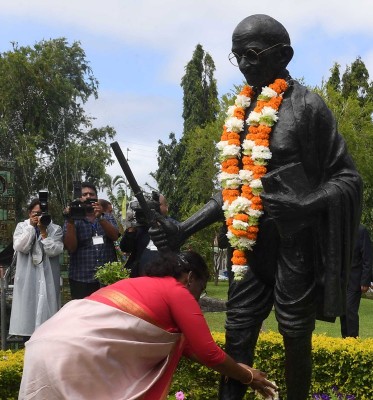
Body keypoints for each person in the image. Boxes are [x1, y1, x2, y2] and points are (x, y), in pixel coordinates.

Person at [149, 14, 362, 400]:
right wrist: (184, 227)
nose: (245, 64)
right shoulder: (243, 112)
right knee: (238, 330)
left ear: (284, 55)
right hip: (248, 247)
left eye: (251, 54)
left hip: (295, 245)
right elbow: (233, 189)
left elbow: (348, 179)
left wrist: (306, 204)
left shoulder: (309, 108)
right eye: (237, 57)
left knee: (296, 333)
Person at [18, 251, 277, 399]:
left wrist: (235, 368)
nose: (199, 295)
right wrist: (247, 376)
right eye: (201, 286)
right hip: (76, 356)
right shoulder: (178, 292)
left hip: (43, 343)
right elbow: (208, 351)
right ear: (189, 278)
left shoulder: (140, 285)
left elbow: (189, 349)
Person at [8, 198, 63, 340]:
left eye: (42, 213)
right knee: (28, 316)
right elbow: (20, 247)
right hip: (28, 278)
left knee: (48, 323)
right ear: (29, 213)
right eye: (35, 213)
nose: (39, 216)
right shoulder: (22, 226)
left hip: (48, 277)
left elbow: (54, 251)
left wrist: (44, 233)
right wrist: (32, 228)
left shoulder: (55, 229)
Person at [63, 182, 119, 299]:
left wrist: (100, 218)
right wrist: (70, 221)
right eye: (85, 194)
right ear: (80, 198)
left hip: (107, 278)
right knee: (83, 315)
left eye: (91, 194)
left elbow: (115, 236)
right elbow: (71, 247)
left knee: (107, 313)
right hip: (81, 278)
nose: (88, 196)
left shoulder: (107, 216)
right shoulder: (73, 219)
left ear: (96, 198)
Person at [120, 192, 177, 277]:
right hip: (139, 277)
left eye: (158, 204)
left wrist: (159, 223)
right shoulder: (138, 227)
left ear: (166, 207)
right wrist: (130, 228)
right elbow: (126, 248)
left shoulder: (173, 225)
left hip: (165, 275)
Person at [340, 224, 373, 338]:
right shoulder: (340, 230)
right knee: (342, 312)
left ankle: (353, 341)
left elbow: (368, 259)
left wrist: (365, 281)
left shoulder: (361, 230)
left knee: (350, 311)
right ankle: (344, 341)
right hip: (341, 281)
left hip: (355, 280)